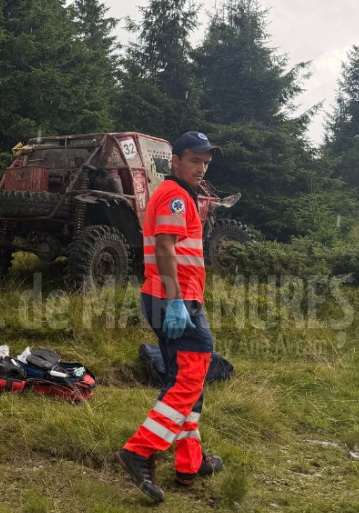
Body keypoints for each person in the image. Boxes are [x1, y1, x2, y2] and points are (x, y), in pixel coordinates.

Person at [116, 131, 225, 504]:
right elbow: (164, 248)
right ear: (175, 161)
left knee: (187, 380)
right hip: (175, 300)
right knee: (190, 379)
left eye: (206, 162)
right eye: (194, 160)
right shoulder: (175, 196)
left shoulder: (181, 195)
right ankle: (140, 450)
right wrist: (177, 301)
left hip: (176, 298)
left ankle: (190, 463)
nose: (201, 168)